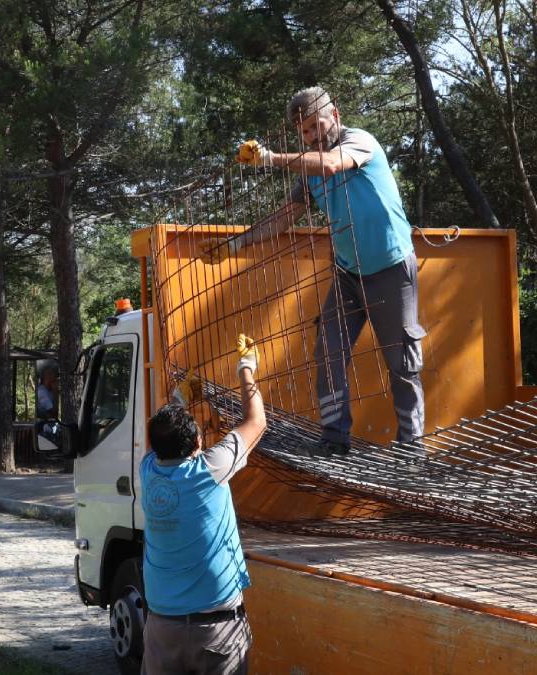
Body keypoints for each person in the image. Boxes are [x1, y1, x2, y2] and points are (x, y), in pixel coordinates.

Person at [200, 86, 426, 458]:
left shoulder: (360, 142)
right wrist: (235, 245)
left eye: (315, 125)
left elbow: (332, 164)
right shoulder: (309, 172)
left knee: (401, 359)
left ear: (334, 114)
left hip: (391, 268)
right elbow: (285, 217)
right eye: (304, 132)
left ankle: (411, 446)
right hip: (348, 274)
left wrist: (269, 158)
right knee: (328, 350)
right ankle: (335, 439)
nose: (311, 136)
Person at [140, 334, 266, 674]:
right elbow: (256, 422)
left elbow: (157, 435)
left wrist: (180, 398)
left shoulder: (149, 470)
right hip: (217, 628)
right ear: (199, 441)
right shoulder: (209, 469)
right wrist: (247, 367)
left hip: (162, 626)